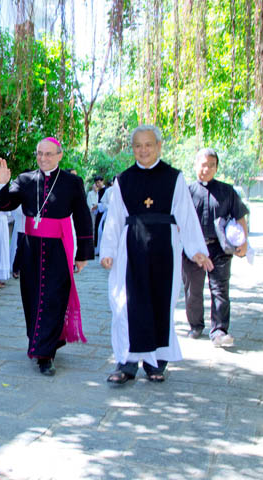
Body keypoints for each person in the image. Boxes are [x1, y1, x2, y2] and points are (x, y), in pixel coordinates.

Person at [100, 125, 213, 384]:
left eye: (148, 144)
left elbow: (186, 215)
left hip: (165, 249)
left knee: (160, 303)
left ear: (159, 146)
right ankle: (126, 364)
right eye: (138, 146)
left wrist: (195, 250)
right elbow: (115, 219)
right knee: (128, 305)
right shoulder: (124, 179)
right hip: (131, 250)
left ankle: (156, 363)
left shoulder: (174, 177)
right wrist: (108, 250)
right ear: (132, 149)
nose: (143, 150)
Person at [0, 137, 94, 376]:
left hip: (59, 248)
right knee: (31, 297)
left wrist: (84, 254)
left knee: (54, 297)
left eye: (49, 154)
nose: (43, 158)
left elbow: (82, 217)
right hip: (30, 248)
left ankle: (45, 353)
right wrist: (2, 184)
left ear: (60, 155)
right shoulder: (25, 179)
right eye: (40, 153)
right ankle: (39, 340)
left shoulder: (72, 182)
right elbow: (4, 204)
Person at [183, 148, 249, 347]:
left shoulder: (227, 191)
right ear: (195, 165)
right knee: (192, 290)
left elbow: (240, 217)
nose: (207, 169)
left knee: (220, 289)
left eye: (212, 165)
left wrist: (243, 243)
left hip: (219, 249)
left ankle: (219, 330)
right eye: (203, 164)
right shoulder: (186, 192)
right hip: (193, 251)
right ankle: (195, 325)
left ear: (217, 167)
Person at [86, 175, 106, 250]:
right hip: (97, 212)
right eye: (96, 183)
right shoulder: (97, 192)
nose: (97, 184)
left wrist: (98, 206)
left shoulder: (106, 191)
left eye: (99, 182)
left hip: (103, 213)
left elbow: (105, 203)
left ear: (102, 181)